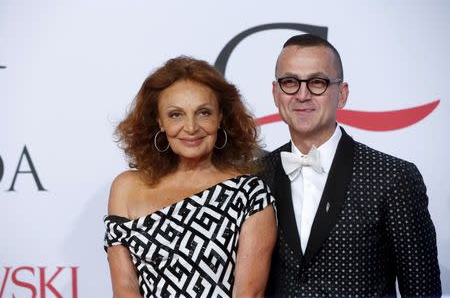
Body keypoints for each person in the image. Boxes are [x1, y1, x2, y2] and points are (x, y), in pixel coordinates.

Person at [261, 34, 441, 297]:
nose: (302, 94)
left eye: (318, 82)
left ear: (342, 95)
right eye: (290, 82)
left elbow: (422, 290)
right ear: (276, 94)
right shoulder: (255, 175)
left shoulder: (393, 177)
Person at [103, 56, 277, 297]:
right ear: (159, 122)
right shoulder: (126, 188)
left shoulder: (249, 194)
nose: (191, 127)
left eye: (203, 113)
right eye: (176, 115)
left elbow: (249, 293)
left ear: (220, 118)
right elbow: (125, 287)